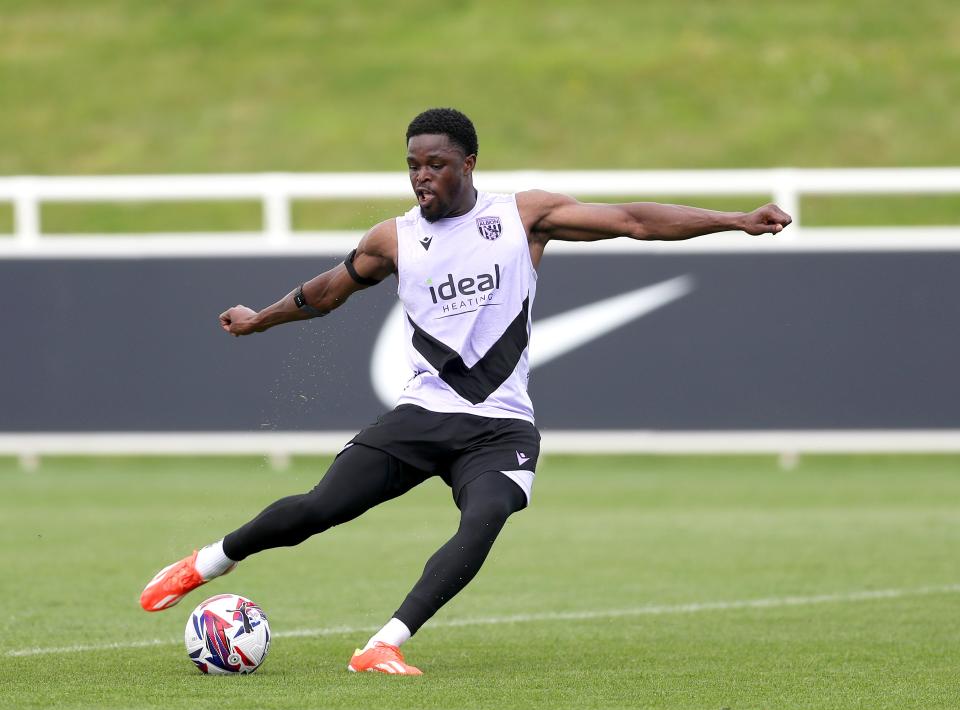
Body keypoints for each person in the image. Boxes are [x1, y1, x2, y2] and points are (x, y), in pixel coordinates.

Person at [139, 107, 792, 675]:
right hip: (422, 417)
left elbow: (633, 221)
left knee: (485, 516)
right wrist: (261, 318)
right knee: (319, 510)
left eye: (437, 164)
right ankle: (209, 561)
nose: (423, 176)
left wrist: (735, 219)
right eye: (413, 165)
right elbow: (328, 292)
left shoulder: (523, 217)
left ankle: (383, 645)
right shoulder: (394, 238)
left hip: (501, 426)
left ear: (469, 164)